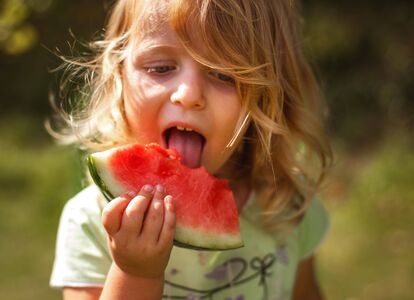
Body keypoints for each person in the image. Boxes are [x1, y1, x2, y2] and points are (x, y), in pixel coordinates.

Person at [49, 0, 333, 299]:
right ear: (119, 73)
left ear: (269, 94)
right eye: (160, 68)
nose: (189, 95)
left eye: (224, 74)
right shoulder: (90, 220)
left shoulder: (288, 208)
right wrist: (135, 272)